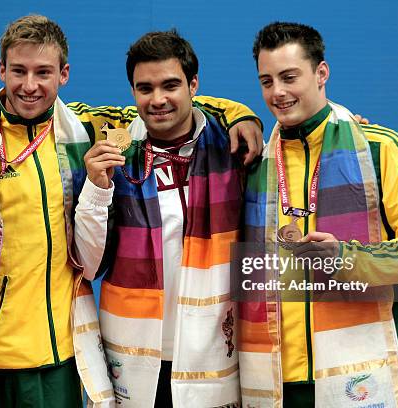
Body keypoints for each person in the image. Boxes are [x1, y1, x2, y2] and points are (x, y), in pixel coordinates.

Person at [0, 15, 262, 408]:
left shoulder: (88, 126)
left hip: (63, 353)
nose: (30, 85)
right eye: (19, 71)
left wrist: (240, 113)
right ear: (1, 70)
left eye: (43, 72)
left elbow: (166, 109)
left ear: (64, 74)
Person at [239, 22, 398, 407]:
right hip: (269, 380)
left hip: (358, 375)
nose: (277, 93)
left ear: (321, 73)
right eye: (266, 81)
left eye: (289, 77)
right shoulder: (252, 162)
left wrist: (347, 259)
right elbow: (175, 107)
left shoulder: (382, 149)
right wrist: (240, 116)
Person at [75, 30, 258, 407]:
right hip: (133, 349)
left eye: (170, 85)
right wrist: (95, 188)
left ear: (194, 85)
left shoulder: (232, 145)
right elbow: (90, 266)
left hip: (214, 350)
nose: (157, 99)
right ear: (132, 93)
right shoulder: (116, 145)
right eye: (145, 88)